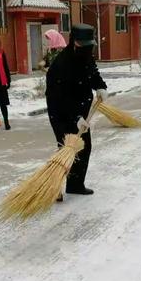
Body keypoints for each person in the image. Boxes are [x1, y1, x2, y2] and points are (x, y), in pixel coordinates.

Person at [46, 24, 108, 196]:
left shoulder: (86, 55)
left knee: (83, 147)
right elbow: (60, 97)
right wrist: (75, 118)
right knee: (66, 149)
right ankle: (52, 188)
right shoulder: (61, 64)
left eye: (89, 44)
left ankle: (75, 184)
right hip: (61, 112)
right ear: (74, 42)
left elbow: (93, 74)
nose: (87, 48)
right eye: (83, 44)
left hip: (81, 109)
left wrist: (101, 87)